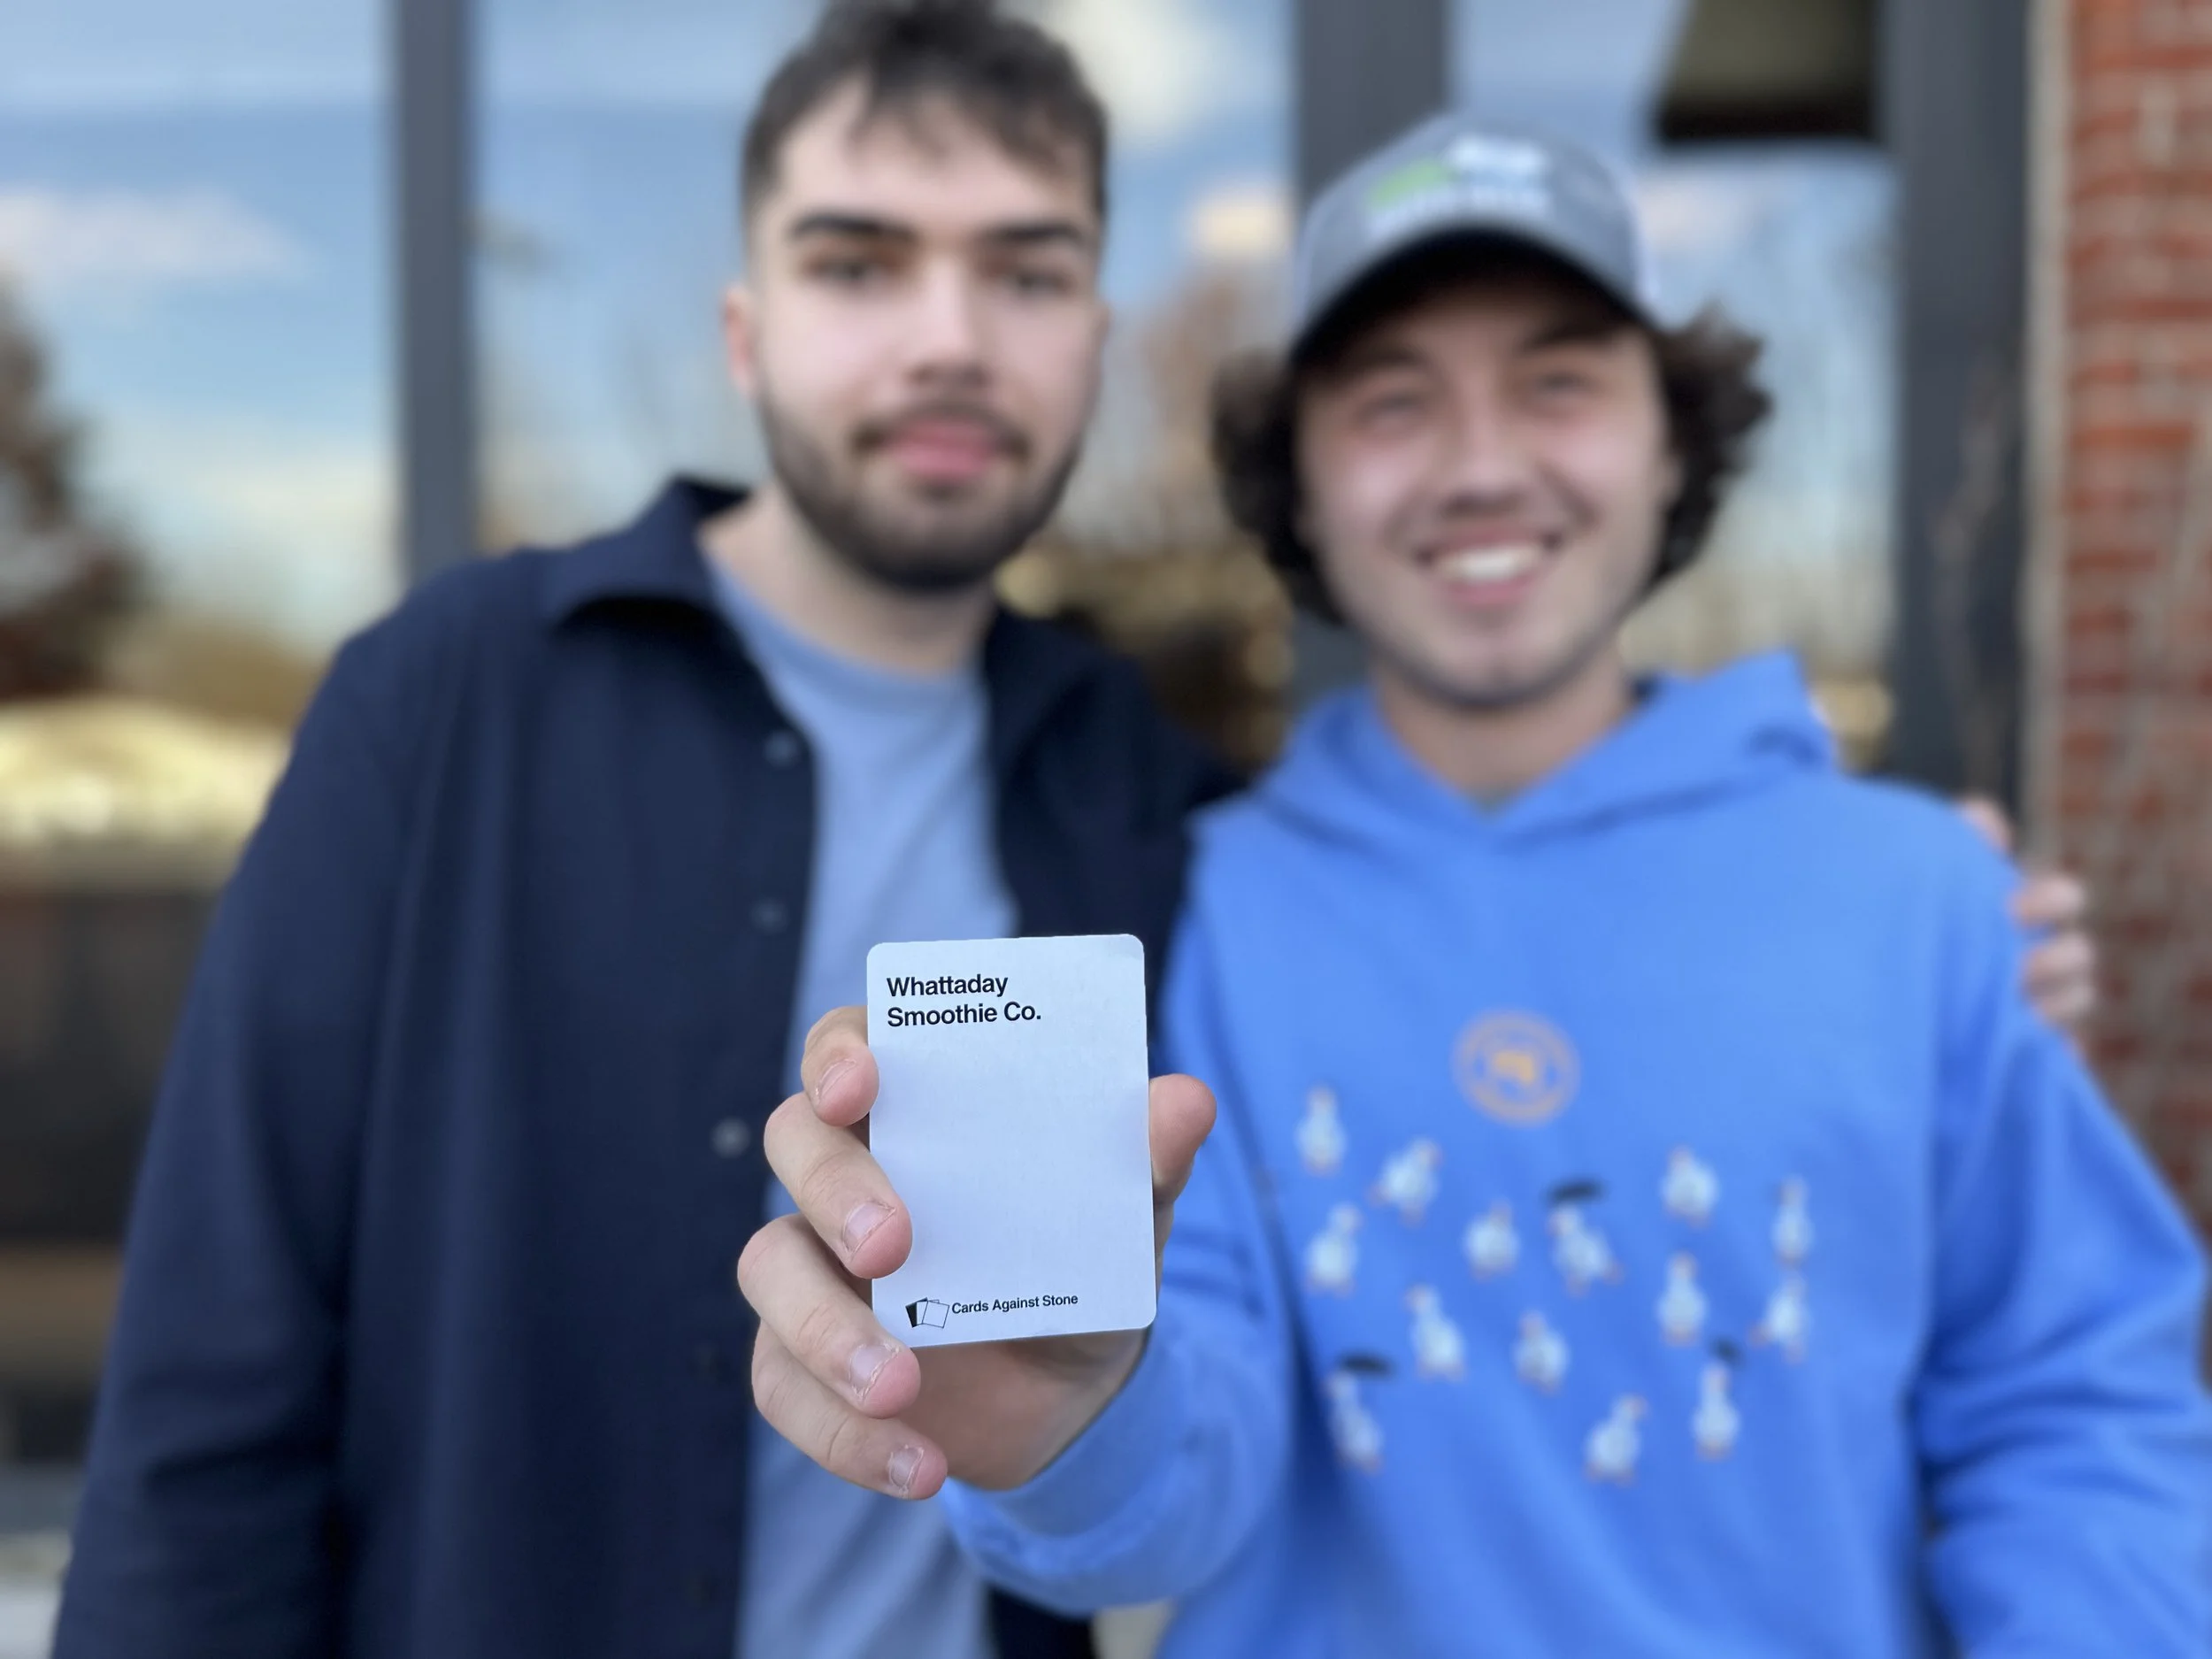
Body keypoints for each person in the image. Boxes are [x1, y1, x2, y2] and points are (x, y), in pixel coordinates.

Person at [741, 116, 2212, 1656]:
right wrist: (1063, 1418)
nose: (1483, 465)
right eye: (1392, 402)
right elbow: (1179, 1474)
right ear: (1297, 479)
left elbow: (2074, 1409)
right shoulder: (1202, 906)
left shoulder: (1920, 898)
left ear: (1670, 440)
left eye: (1559, 382)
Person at [54, 4, 1232, 1656]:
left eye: (1026, 273)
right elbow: (214, 1368)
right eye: (860, 262)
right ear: (744, 334)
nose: (950, 337)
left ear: (1097, 336)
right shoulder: (444, 696)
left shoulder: (1143, 785)